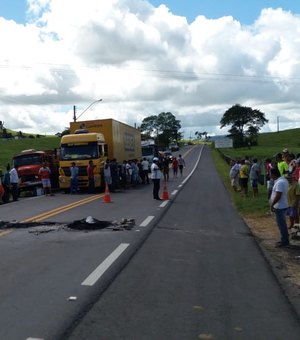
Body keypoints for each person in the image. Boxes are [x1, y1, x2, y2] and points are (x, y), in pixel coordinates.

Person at [270, 167, 289, 247]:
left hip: (280, 206)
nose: (270, 176)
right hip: (281, 205)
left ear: (273, 174)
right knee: (282, 224)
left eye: (271, 174)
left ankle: (284, 241)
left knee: (281, 224)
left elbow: (278, 195)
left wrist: (272, 204)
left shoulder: (280, 182)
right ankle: (284, 239)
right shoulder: (282, 180)